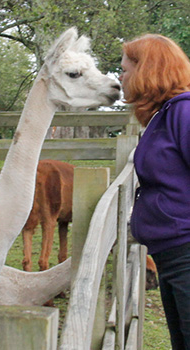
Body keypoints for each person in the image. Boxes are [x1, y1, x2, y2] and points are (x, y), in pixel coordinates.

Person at [122, 34, 190, 350]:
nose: (121, 77)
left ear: (146, 71)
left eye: (125, 70)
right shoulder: (162, 116)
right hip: (170, 254)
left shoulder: (183, 112)